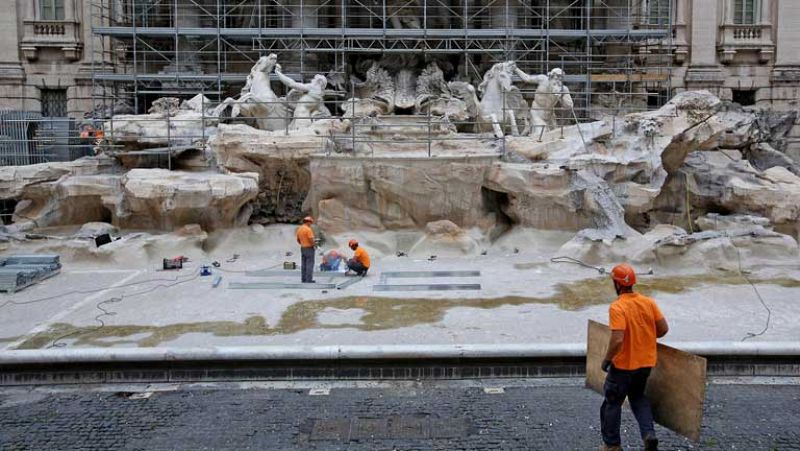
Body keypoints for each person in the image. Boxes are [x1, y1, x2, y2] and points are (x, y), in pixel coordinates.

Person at [600, 263, 669, 451]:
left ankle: (612, 445)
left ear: (617, 284)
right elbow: (663, 329)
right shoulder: (648, 302)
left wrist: (607, 360)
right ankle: (649, 434)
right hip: (645, 364)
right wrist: (643, 336)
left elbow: (617, 339)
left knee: (612, 403)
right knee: (638, 398)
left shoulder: (617, 307)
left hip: (623, 366)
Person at [296, 216, 316, 283]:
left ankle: (303, 279)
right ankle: (309, 280)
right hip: (309, 248)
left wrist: (303, 243)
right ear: (308, 222)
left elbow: (298, 240)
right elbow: (311, 239)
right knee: (309, 264)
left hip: (303, 248)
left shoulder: (299, 229)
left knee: (303, 264)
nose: (311, 224)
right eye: (310, 222)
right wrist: (314, 245)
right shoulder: (308, 229)